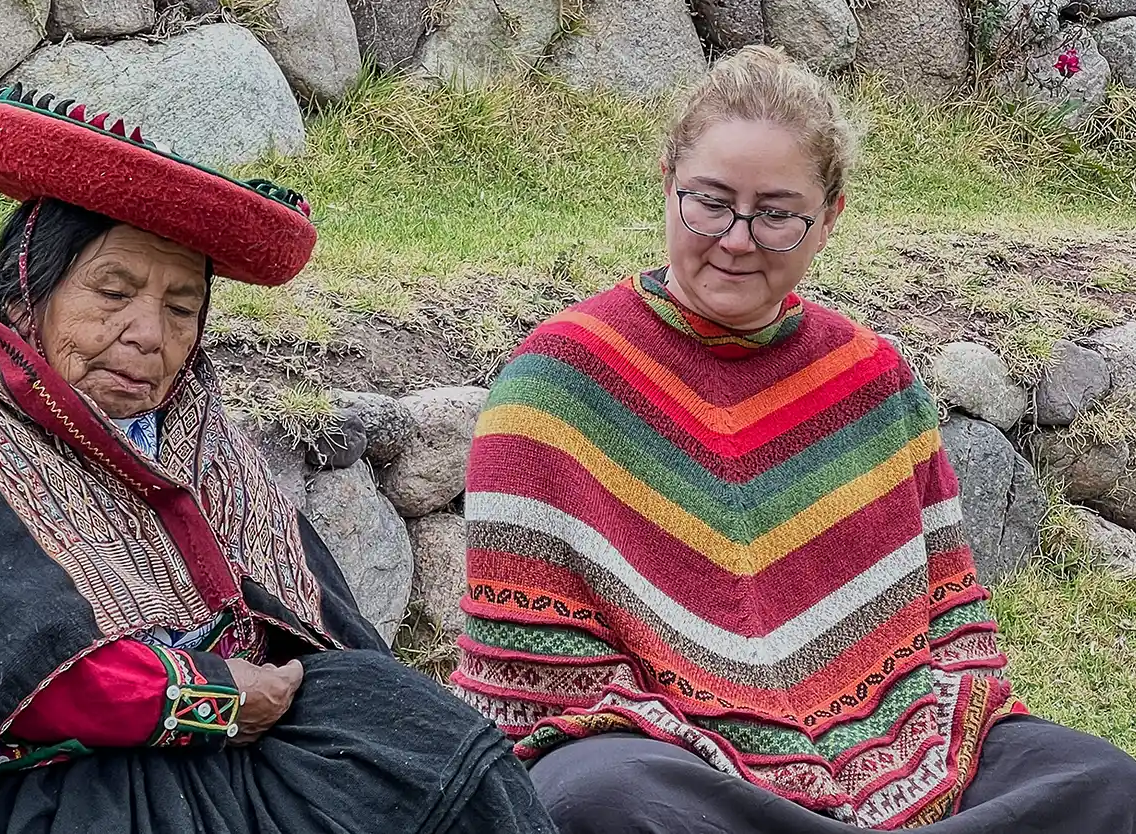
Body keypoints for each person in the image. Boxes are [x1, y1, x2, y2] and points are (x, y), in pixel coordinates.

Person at [454, 46, 1136, 833]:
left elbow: (944, 621)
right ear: (667, 184)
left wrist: (871, 736)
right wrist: (708, 731)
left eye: (776, 213)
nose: (737, 239)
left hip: (888, 730)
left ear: (829, 219)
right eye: (710, 201)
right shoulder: (555, 386)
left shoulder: (872, 381)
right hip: (669, 750)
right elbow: (538, 669)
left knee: (1103, 780)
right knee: (597, 797)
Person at [0, 84, 556, 834]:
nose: (148, 333)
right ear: (23, 296)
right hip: (45, 788)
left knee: (434, 756)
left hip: (233, 739)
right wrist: (213, 698)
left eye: (180, 308)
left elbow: (302, 615)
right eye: (114, 291)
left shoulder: (195, 440)